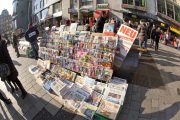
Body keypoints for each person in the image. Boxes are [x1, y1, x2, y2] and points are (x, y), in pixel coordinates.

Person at [0, 34, 27, 99]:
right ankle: (21, 90)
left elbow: (4, 58)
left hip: (8, 67)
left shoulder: (2, 45)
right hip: (7, 67)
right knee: (13, 79)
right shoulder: (2, 44)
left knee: (15, 79)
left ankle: (24, 91)